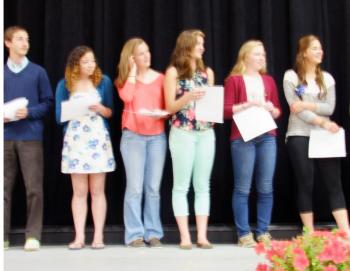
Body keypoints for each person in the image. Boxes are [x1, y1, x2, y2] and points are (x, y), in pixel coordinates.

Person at [283, 35, 350, 236]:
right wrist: (320, 120)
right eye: (314, 48)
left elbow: (330, 107)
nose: (320, 51)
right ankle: (309, 233)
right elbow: (295, 108)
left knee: (334, 183)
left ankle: (346, 232)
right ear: (303, 53)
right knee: (305, 182)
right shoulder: (291, 76)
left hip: (324, 136)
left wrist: (307, 104)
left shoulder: (327, 78)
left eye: (320, 48)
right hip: (299, 134)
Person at [55, 45, 115, 249]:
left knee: (97, 190)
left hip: (97, 139)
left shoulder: (103, 81)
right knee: (79, 191)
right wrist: (73, 110)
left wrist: (100, 109)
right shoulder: (65, 84)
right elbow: (58, 116)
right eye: (86, 62)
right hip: (76, 140)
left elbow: (110, 112)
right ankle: (79, 236)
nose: (91, 65)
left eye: (93, 61)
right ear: (76, 64)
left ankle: (98, 236)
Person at [224, 40, 281, 247]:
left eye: (263, 54)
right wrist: (248, 104)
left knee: (266, 187)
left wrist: (271, 109)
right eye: (257, 54)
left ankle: (263, 231)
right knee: (243, 188)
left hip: (266, 135)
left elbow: (277, 111)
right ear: (245, 56)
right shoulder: (234, 80)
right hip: (243, 137)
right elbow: (226, 110)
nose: (261, 58)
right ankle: (244, 233)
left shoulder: (269, 81)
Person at [164, 29, 215, 250]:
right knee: (181, 186)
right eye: (198, 43)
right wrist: (187, 97)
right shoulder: (173, 72)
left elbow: (211, 105)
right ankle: (185, 236)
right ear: (187, 46)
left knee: (203, 185)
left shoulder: (207, 73)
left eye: (203, 43)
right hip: (182, 131)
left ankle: (202, 236)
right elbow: (169, 108)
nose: (202, 47)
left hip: (205, 132)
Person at [4, 26, 53, 251]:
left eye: (27, 39)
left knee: (33, 187)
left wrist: (30, 112)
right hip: (5, 136)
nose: (25, 43)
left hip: (30, 136)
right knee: (3, 188)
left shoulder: (38, 72)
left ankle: (33, 235)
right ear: (8, 43)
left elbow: (48, 103)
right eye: (20, 39)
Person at [115, 38, 167, 248]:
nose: (147, 56)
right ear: (132, 58)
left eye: (148, 52)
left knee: (153, 188)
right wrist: (133, 73)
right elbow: (127, 97)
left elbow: (168, 106)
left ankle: (153, 232)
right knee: (135, 188)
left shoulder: (161, 78)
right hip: (133, 137)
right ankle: (135, 234)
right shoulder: (126, 79)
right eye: (141, 53)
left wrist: (161, 114)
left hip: (157, 136)